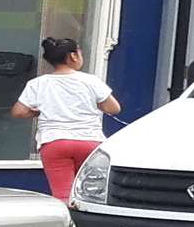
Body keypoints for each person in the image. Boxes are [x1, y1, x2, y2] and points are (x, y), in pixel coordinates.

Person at [11, 37, 121, 201]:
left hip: (54, 142)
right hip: (89, 142)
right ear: (73, 56)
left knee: (62, 195)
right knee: (91, 196)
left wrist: (37, 112)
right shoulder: (90, 81)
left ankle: (66, 225)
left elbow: (18, 112)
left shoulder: (38, 83)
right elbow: (114, 108)